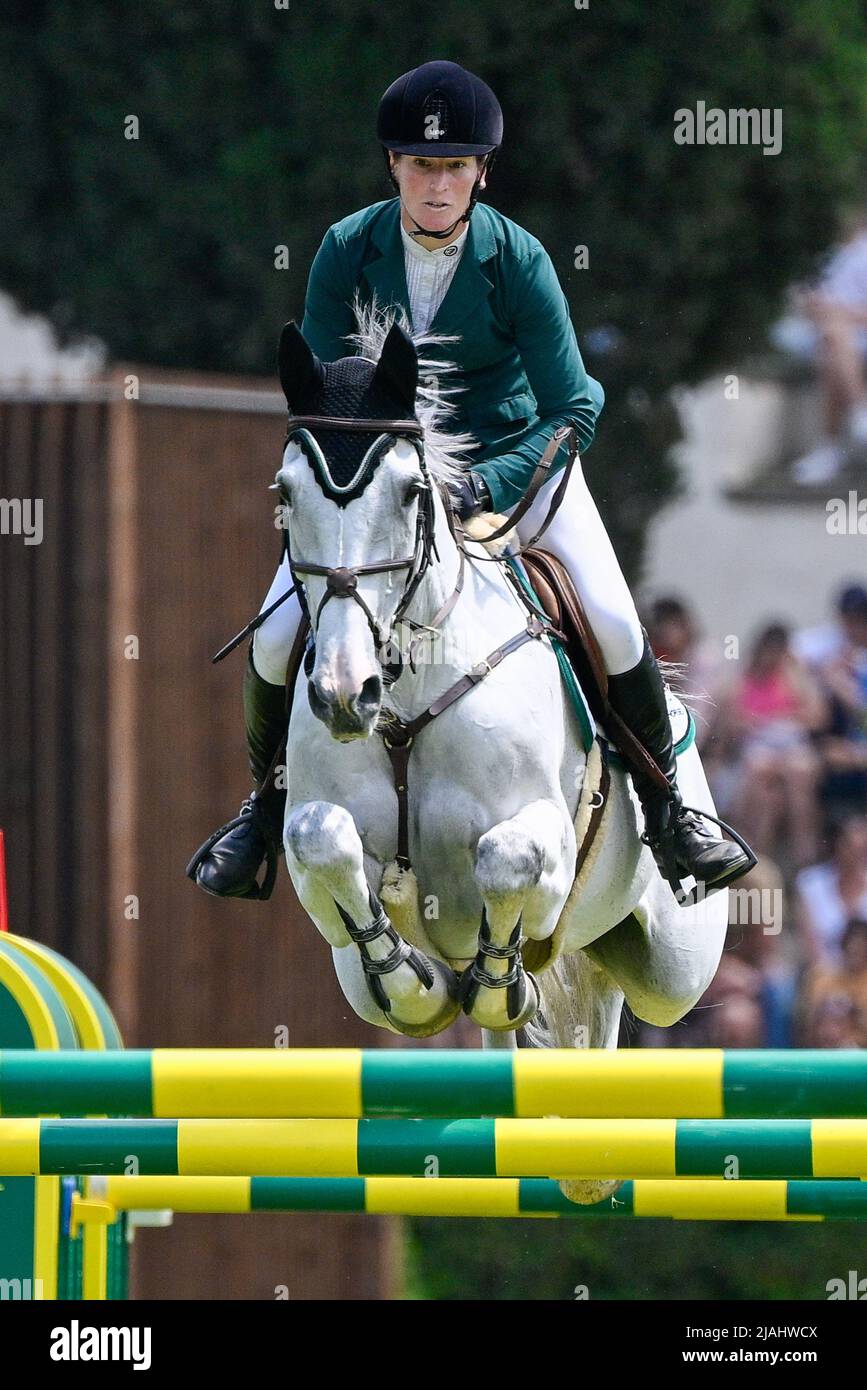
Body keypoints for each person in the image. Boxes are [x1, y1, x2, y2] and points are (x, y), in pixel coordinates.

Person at [191, 60, 752, 903]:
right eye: (422, 165)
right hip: (384, 491)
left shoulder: (515, 259)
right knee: (275, 637)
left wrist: (482, 484)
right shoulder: (347, 249)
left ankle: (669, 812)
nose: (437, 184)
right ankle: (263, 810)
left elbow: (573, 408)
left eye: (455, 166)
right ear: (393, 166)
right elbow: (312, 392)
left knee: (611, 618)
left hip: (518, 472)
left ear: (481, 172)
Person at [784, 207, 867, 484]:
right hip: (828, 335)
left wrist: (838, 313)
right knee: (833, 340)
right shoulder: (829, 255)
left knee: (833, 341)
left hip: (853, 332)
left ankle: (831, 446)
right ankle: (858, 415)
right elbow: (805, 300)